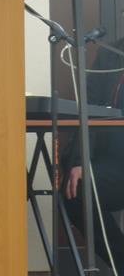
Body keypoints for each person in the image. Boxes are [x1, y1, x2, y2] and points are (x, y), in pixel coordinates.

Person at [63, 37, 124, 271]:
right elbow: (88, 109)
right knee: (76, 190)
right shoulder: (111, 55)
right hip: (114, 163)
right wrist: (80, 161)